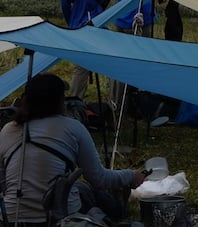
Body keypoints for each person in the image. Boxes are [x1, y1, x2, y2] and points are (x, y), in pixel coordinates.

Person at [0, 73, 145, 225]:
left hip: (12, 218)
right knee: (88, 192)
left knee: (79, 187)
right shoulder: (72, 127)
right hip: (62, 219)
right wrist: (131, 176)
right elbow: (99, 178)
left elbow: (3, 183)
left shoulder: (8, 130)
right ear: (59, 100)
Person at [59, 0, 110, 99]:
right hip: (97, 25)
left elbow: (65, 6)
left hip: (77, 26)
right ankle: (115, 100)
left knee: (80, 66)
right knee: (113, 62)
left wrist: (72, 24)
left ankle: (75, 100)